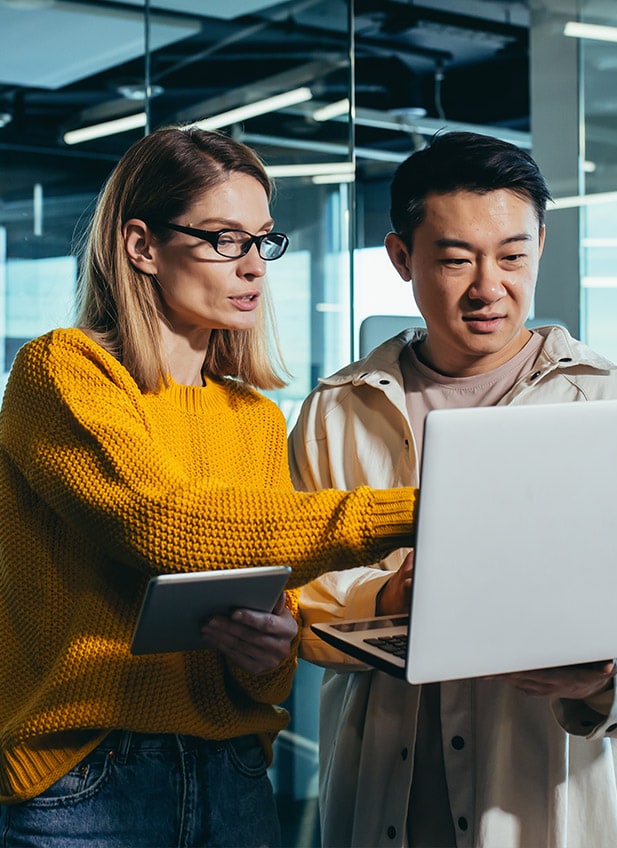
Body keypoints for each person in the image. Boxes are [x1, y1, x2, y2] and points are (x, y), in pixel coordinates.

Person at [0, 125, 417, 848]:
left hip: (233, 780)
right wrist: (421, 511)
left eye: (263, 241)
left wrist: (271, 648)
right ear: (141, 246)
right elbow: (165, 526)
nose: (254, 266)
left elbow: (269, 623)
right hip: (87, 781)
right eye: (226, 239)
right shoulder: (62, 371)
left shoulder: (253, 417)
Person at [289, 131, 617, 848]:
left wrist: (600, 683)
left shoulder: (614, 402)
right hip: (388, 797)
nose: (490, 288)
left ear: (541, 245)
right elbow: (294, 592)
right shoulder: (338, 409)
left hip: (551, 802)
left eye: (512, 256)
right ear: (401, 258)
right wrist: (390, 599)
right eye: (455, 260)